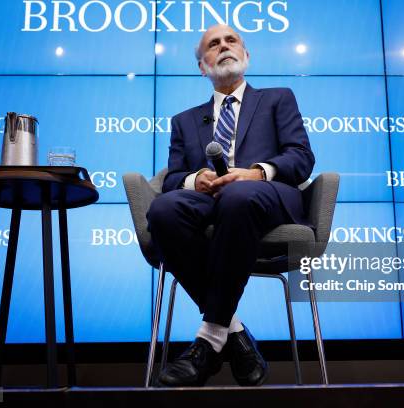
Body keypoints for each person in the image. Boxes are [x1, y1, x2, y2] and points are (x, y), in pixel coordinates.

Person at [146, 24, 315, 387]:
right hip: (209, 200)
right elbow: (173, 178)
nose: (223, 46)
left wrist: (255, 173)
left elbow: (301, 158)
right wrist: (195, 180)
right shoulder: (184, 121)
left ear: (246, 55)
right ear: (203, 66)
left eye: (230, 40)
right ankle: (231, 332)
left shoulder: (277, 98)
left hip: (266, 195)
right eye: (213, 44)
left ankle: (207, 340)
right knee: (162, 211)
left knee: (239, 196)